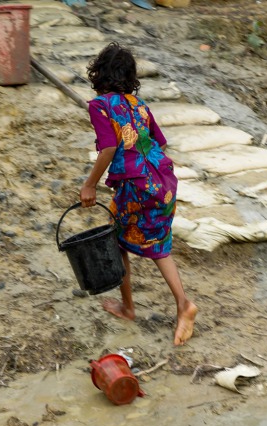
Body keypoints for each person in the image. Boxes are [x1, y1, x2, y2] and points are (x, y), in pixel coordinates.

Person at [79, 42, 198, 346]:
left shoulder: (100, 106)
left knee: (117, 241)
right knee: (159, 243)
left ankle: (130, 308)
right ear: (130, 76)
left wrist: (90, 184)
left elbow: (107, 148)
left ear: (99, 74)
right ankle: (183, 304)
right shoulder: (138, 104)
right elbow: (160, 142)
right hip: (163, 181)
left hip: (136, 186)